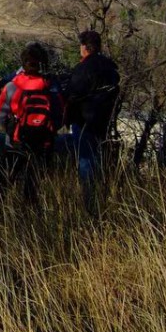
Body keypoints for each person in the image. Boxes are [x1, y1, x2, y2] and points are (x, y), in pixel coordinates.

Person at [0, 43, 65, 203]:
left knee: (7, 179)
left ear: (23, 63)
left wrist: (10, 128)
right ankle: (31, 213)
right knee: (34, 184)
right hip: (43, 142)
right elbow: (60, 115)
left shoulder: (12, 86)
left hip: (16, 141)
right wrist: (49, 129)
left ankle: (1, 211)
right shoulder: (50, 86)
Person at [64, 30, 120, 213]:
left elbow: (72, 94)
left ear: (85, 48)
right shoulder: (109, 68)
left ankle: (88, 203)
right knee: (97, 158)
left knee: (85, 161)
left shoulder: (83, 69)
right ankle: (99, 196)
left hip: (85, 120)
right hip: (102, 121)